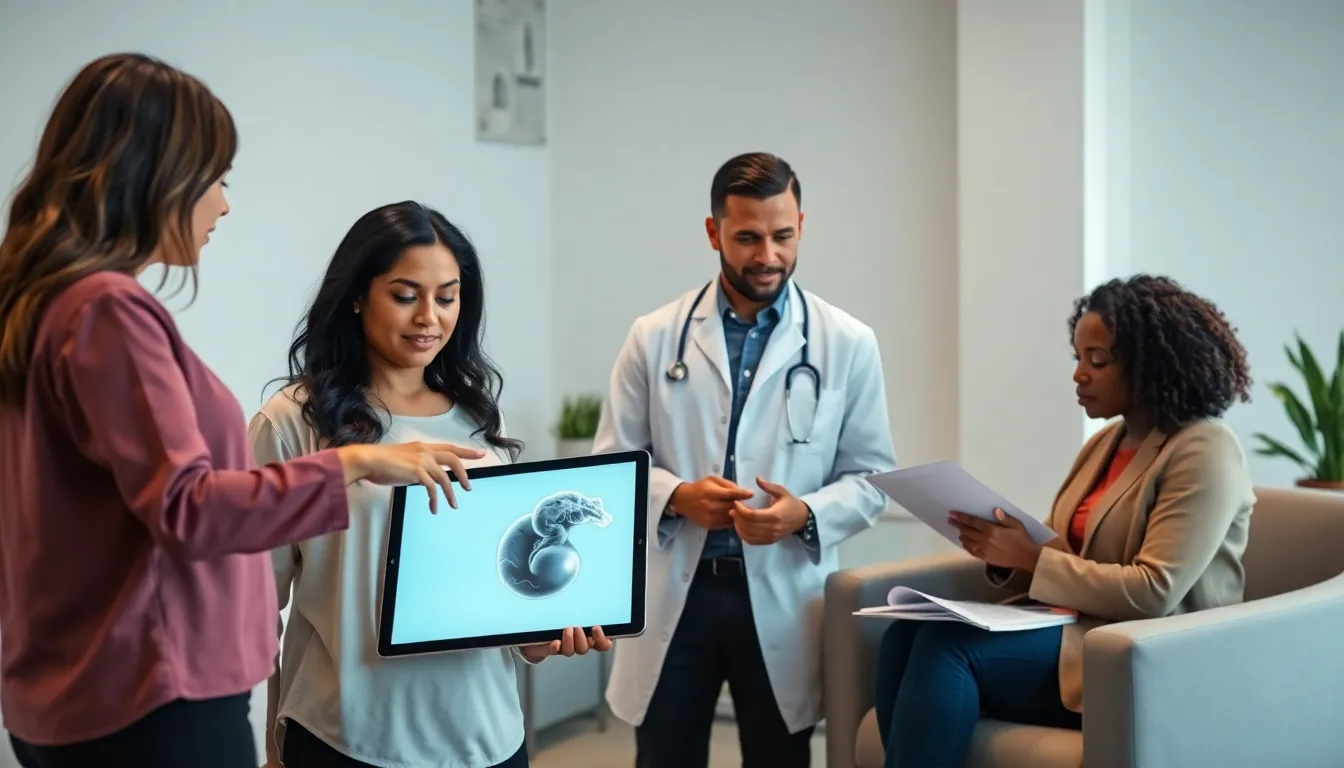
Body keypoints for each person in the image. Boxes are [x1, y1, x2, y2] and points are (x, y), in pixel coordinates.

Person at [0, 55, 484, 768]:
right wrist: (358, 461)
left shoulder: (41, 304)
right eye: (215, 179)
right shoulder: (107, 311)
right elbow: (189, 507)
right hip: (150, 695)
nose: (223, 204)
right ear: (154, 176)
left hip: (71, 687)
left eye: (448, 296)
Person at [252, 201, 612, 768]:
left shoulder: (479, 419)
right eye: (405, 295)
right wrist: (274, 747)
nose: (429, 317)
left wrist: (538, 639)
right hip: (345, 738)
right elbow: (256, 608)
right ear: (356, 294)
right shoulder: (294, 423)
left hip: (486, 737)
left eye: (447, 297)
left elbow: (496, 586)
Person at [873, 274, 1256, 767]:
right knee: (902, 636)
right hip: (1078, 630)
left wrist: (1031, 557)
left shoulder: (1205, 448)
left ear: (1149, 364)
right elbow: (1064, 551)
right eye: (1077, 358)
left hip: (1148, 651)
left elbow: (1154, 591)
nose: (1079, 374)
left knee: (948, 650)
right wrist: (1004, 547)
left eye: (1097, 361)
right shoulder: (1104, 444)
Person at [595, 151, 899, 767]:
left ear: (801, 225)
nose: (767, 256)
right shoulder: (654, 337)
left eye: (783, 235)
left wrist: (803, 513)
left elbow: (872, 478)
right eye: (747, 238)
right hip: (676, 596)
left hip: (783, 595)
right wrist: (677, 497)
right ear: (713, 233)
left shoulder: (847, 342)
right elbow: (608, 468)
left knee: (779, 760)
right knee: (664, 757)